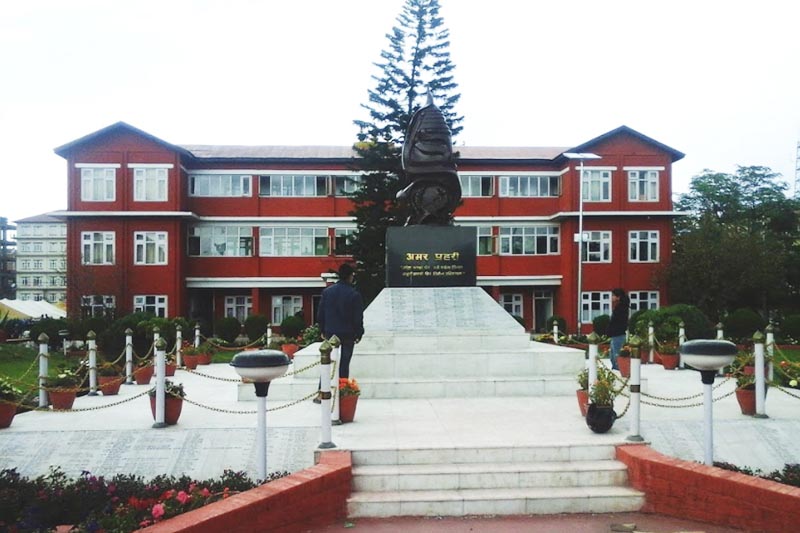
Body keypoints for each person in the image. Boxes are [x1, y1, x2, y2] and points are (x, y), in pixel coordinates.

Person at [316, 262, 365, 380]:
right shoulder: (354, 294)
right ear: (350, 276)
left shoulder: (327, 292)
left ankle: (322, 391)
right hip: (348, 334)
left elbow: (320, 313)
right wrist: (359, 333)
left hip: (330, 332)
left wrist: (322, 329)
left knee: (328, 362)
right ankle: (342, 390)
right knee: (344, 363)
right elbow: (357, 317)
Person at [607, 288, 629, 370]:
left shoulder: (621, 308)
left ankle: (619, 370)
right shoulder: (619, 307)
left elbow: (616, 322)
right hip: (615, 334)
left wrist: (610, 329)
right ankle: (615, 369)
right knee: (612, 356)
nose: (612, 297)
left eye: (613, 295)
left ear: (618, 297)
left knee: (617, 355)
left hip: (618, 334)